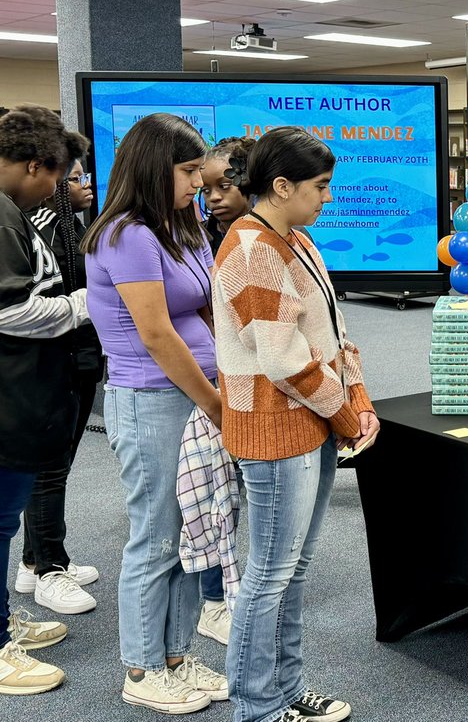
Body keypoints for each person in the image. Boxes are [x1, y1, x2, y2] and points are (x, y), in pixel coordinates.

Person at [212, 127, 378, 722]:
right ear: (281, 187)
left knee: (292, 571)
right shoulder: (252, 248)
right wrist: (346, 414)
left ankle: (283, 689)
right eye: (321, 187)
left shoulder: (297, 239)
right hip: (276, 431)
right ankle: (257, 705)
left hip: (311, 424)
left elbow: (330, 333)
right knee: (269, 576)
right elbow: (284, 361)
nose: (328, 197)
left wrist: (355, 400)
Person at [81, 113, 228, 714]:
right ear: (153, 168)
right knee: (158, 537)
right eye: (190, 172)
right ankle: (141, 670)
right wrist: (217, 405)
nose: (202, 184)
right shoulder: (126, 233)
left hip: (196, 395)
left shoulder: (181, 224)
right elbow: (157, 335)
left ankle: (175, 653)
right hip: (152, 400)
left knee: (193, 533)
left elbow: (212, 301)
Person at [0, 104, 90, 694]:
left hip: (21, 393)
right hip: (8, 399)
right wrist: (90, 305)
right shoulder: (2, 219)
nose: (60, 188)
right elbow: (11, 311)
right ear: (35, 165)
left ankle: (0, 624)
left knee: (4, 523)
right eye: (56, 176)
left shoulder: (14, 213)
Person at [15, 158, 103, 614]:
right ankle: (51, 567)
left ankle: (34, 562)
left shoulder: (71, 224)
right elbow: (45, 304)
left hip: (79, 357)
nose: (84, 185)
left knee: (57, 466)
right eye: (74, 178)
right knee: (48, 469)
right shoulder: (41, 226)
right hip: (56, 361)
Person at [195, 135, 254, 646]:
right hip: (212, 375)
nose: (212, 196)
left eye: (225, 186)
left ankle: (237, 580)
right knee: (216, 491)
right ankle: (214, 595)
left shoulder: (256, 235)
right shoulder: (199, 236)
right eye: (206, 187)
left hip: (251, 377)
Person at [200, 136, 255, 253]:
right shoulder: (197, 238)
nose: (214, 197)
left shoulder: (285, 233)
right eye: (206, 190)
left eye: (224, 186)